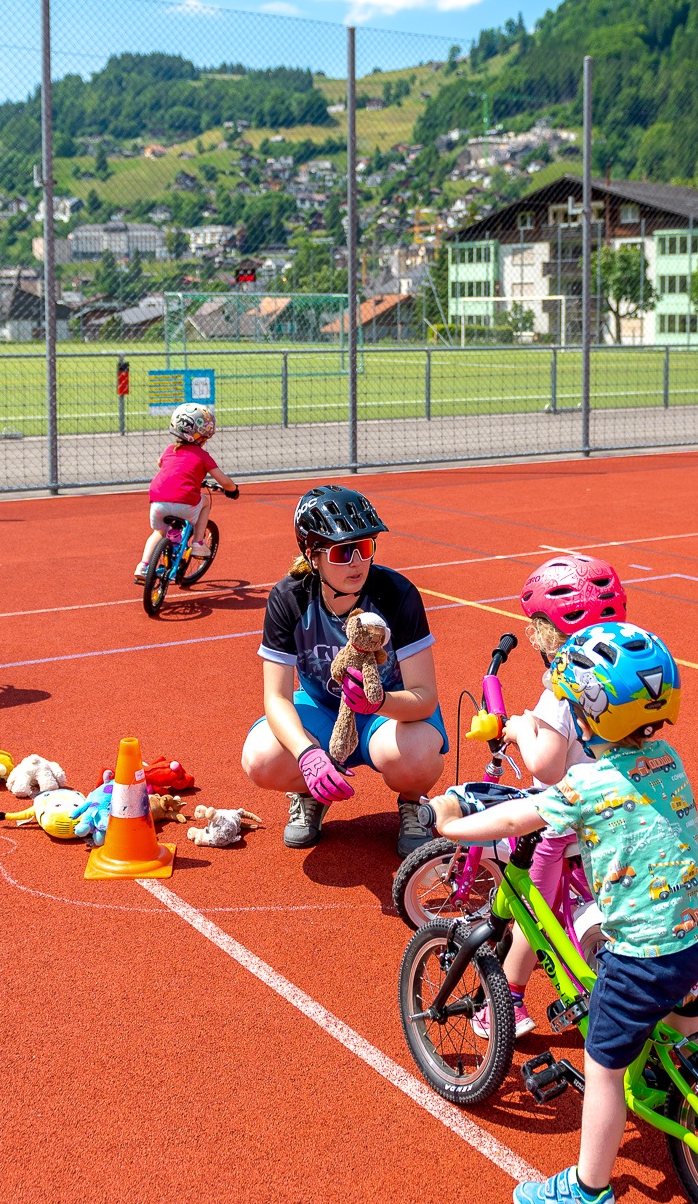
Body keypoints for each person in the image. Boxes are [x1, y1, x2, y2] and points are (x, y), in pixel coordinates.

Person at [437, 623, 698, 1204]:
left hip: (647, 955)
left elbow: (521, 812)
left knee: (603, 1069)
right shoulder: (667, 759)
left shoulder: (585, 785)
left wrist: (451, 826)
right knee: (684, 1015)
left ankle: (589, 1198)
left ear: (587, 714)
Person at [432, 553, 629, 1039]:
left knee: (530, 908)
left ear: (547, 634)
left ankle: (511, 1002)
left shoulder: (560, 690)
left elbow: (545, 765)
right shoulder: (621, 678)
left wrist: (520, 729)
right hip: (615, 820)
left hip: (560, 825)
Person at [241, 485, 446, 855]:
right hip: (322, 710)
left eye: (365, 547)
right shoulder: (289, 598)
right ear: (311, 555)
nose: (356, 562)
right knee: (260, 759)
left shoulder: (397, 594)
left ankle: (414, 803)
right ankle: (310, 791)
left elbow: (424, 697)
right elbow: (276, 697)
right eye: (341, 551)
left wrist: (377, 701)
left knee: (416, 754)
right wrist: (307, 756)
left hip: (390, 714)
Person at [136, 404, 237, 585]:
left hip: (157, 501)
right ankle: (198, 543)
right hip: (186, 503)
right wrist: (233, 490)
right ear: (202, 436)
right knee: (204, 502)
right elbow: (225, 481)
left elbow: (161, 464)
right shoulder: (202, 455)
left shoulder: (169, 449)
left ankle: (143, 567)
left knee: (158, 532)